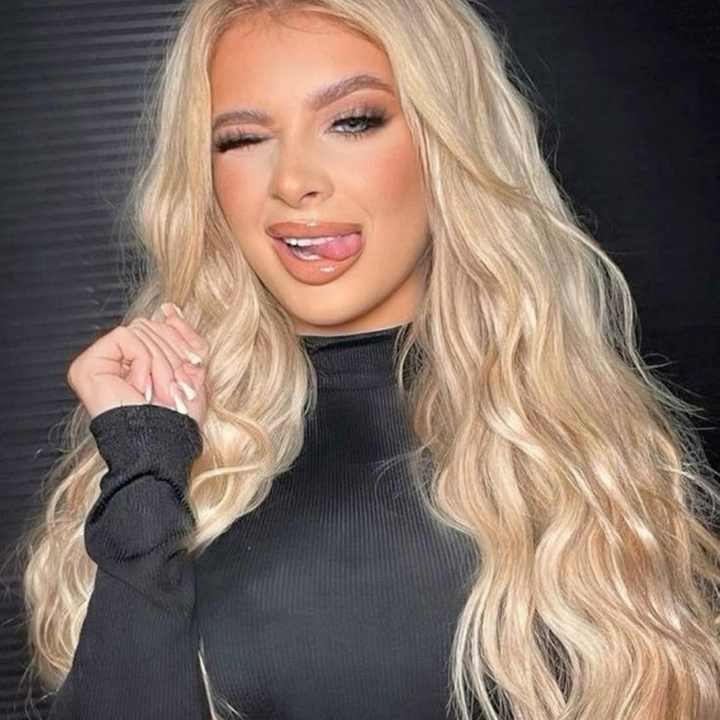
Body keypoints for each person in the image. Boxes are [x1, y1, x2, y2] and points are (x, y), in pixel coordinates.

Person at [12, 0, 720, 718]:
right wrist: (145, 462)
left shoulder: (581, 461)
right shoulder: (167, 459)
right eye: (243, 138)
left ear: (445, 138)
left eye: (352, 121)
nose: (294, 181)